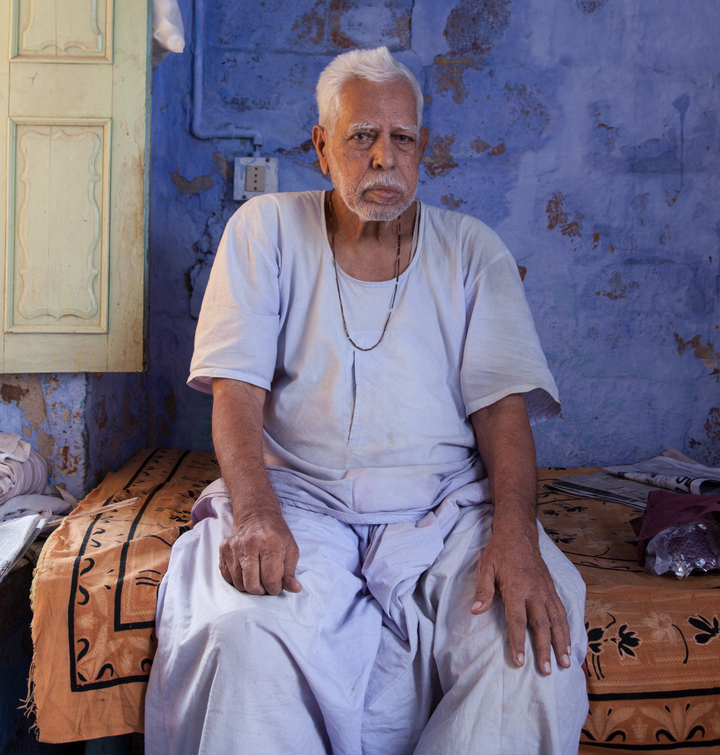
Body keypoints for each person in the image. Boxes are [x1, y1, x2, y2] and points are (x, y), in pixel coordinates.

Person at [145, 46, 588, 755]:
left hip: (445, 512)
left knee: (530, 643)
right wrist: (256, 515)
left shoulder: (472, 250)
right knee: (239, 635)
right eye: (361, 137)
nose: (384, 157)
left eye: (402, 139)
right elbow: (236, 390)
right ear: (320, 146)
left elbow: (502, 412)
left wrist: (517, 536)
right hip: (300, 503)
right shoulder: (265, 229)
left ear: (423, 150)